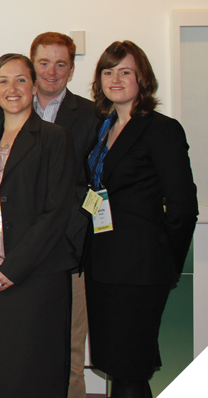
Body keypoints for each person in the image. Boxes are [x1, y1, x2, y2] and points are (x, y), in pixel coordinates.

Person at [85, 41, 198, 398]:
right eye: (107, 71)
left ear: (142, 78)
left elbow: (183, 207)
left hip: (140, 269)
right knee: (118, 366)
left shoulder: (161, 129)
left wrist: (167, 264)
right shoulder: (103, 129)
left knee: (130, 368)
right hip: (103, 265)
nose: (115, 79)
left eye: (124, 71)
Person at [0, 54, 75, 398]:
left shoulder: (55, 138)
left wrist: (14, 268)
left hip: (36, 276)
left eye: (21, 80)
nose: (13, 89)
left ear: (34, 85)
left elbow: (56, 212)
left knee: (35, 376)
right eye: (4, 81)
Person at [29, 32, 100, 398]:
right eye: (44, 63)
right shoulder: (13, 109)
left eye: (60, 64)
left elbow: (93, 183)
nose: (51, 72)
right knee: (27, 349)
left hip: (69, 250)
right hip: (20, 254)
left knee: (71, 350)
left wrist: (73, 228)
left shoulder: (91, 115)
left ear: (71, 70)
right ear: (33, 65)